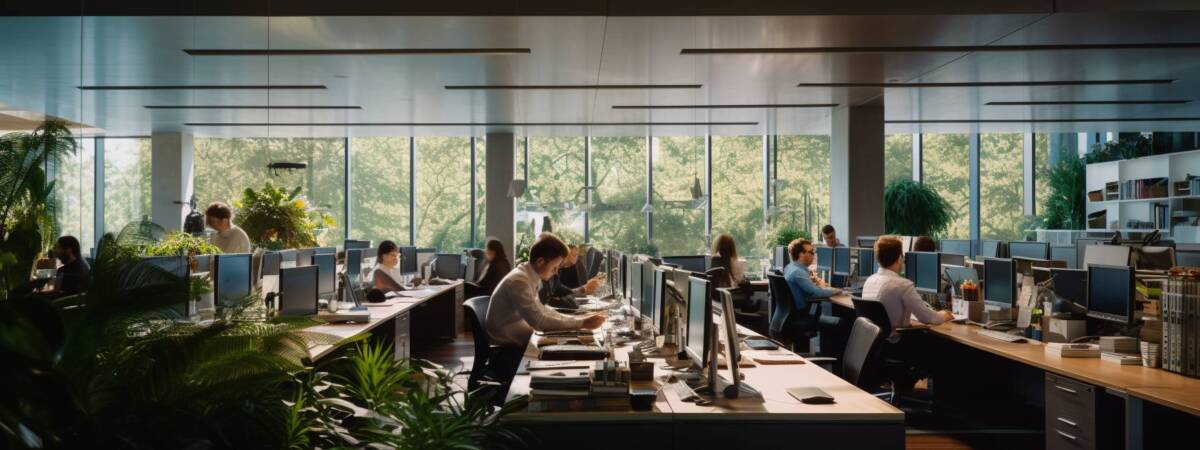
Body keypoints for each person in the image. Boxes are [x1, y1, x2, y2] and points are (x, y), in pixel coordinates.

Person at [485, 233, 606, 348]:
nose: (556, 272)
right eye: (554, 267)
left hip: (520, 338)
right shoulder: (519, 281)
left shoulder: (528, 275)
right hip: (508, 347)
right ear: (540, 262)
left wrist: (578, 320)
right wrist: (582, 324)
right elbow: (539, 322)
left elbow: (542, 310)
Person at [861, 236, 954, 337]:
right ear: (899, 258)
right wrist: (943, 315)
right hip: (899, 342)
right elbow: (927, 317)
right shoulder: (902, 285)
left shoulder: (869, 281)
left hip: (874, 342)